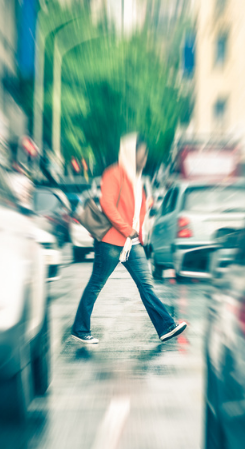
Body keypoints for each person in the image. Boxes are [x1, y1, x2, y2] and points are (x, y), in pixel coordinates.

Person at [70, 134, 187, 345]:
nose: (144, 159)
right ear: (130, 154)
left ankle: (166, 326)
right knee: (96, 284)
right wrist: (126, 229)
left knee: (146, 286)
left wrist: (139, 235)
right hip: (111, 240)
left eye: (145, 155)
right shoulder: (113, 173)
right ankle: (80, 329)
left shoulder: (136, 178)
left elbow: (139, 210)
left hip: (132, 243)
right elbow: (107, 204)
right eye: (141, 155)